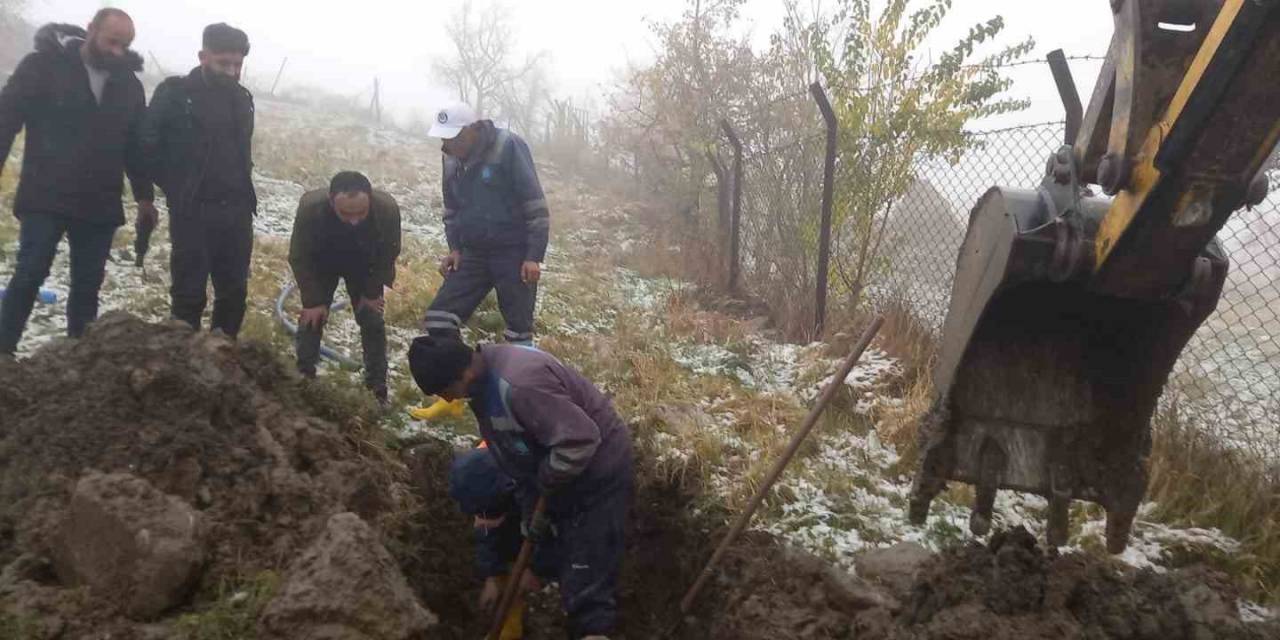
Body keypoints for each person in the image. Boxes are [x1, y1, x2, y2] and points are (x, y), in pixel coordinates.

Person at [409, 337, 631, 640]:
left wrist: (547, 479)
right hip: (553, 465)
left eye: (446, 392)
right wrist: (529, 538)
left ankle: (593, 630)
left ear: (464, 374)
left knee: (585, 583)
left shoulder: (520, 384)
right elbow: (520, 467)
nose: (447, 401)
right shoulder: (483, 387)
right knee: (540, 530)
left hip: (597, 468)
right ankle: (548, 569)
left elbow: (580, 440)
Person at [0, 9, 156, 356]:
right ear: (90, 31)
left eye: (125, 45)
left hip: (98, 202)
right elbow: (5, 120)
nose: (118, 51)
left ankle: (80, 366)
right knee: (30, 272)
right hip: (46, 193)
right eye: (111, 41)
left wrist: (145, 198)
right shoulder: (42, 66)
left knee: (87, 287)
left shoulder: (128, 86)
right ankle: (3, 352)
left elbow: (135, 146)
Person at [414, 101, 550, 419]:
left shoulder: (508, 146)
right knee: (439, 318)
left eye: (453, 138)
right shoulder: (450, 159)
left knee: (518, 332)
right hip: (473, 253)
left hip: (513, 252)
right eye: (443, 139)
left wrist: (533, 256)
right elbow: (452, 210)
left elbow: (535, 205)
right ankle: (454, 396)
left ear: (473, 130)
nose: (447, 146)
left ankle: (519, 406)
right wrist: (455, 248)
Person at [141, 23, 255, 338]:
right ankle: (182, 367)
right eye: (223, 63)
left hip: (236, 211)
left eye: (237, 64)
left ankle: (222, 359)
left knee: (233, 295)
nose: (232, 71)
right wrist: (175, 187)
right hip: (193, 211)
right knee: (189, 295)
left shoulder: (242, 98)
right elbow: (147, 144)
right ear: (203, 56)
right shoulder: (176, 93)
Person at [288, 171, 400, 403]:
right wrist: (313, 301)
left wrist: (371, 293)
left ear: (370, 199)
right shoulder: (310, 208)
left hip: (365, 264)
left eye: (361, 212)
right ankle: (303, 378)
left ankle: (376, 387)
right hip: (322, 262)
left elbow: (388, 253)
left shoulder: (386, 209)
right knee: (312, 318)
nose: (354, 220)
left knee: (372, 319)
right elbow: (300, 256)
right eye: (346, 213)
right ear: (331, 201)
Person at [449, 445, 560, 640]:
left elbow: (555, 530)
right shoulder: (475, 477)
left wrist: (535, 568)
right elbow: (486, 533)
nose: (481, 519)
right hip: (514, 512)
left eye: (486, 513)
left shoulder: (538, 477)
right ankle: (509, 628)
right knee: (506, 568)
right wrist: (492, 575)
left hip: (552, 518)